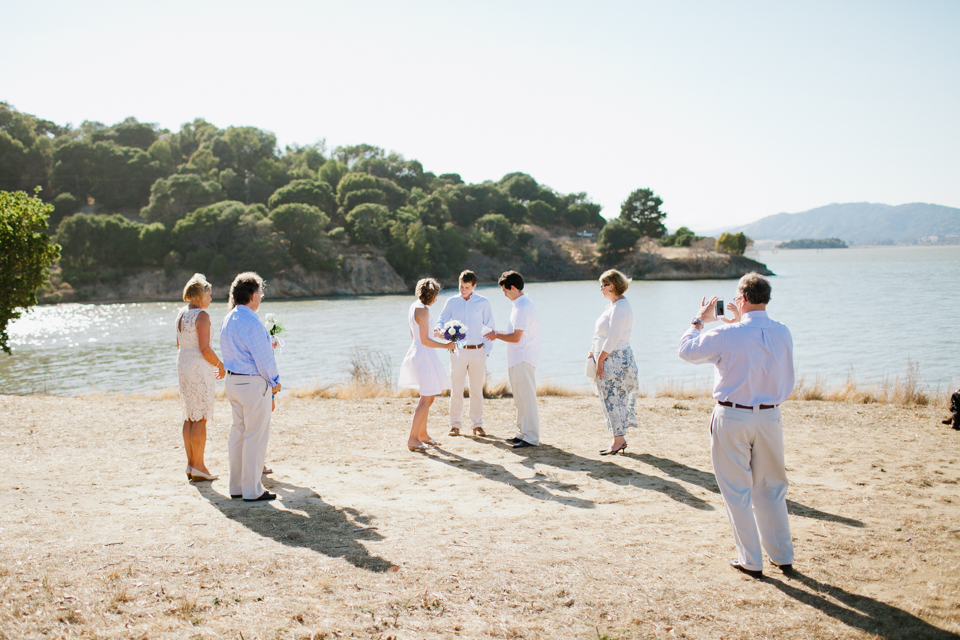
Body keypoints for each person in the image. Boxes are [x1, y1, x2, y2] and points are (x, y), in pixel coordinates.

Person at [678, 272, 796, 579]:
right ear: (766, 298)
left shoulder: (725, 336)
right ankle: (782, 555)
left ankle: (751, 560)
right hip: (770, 416)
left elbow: (687, 350)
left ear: (740, 299)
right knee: (772, 489)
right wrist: (734, 327)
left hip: (732, 416)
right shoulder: (783, 331)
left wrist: (699, 319)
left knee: (736, 491)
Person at [220, 272, 281, 502]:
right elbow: (263, 359)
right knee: (255, 435)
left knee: (238, 433)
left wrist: (269, 340)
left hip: (233, 381)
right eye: (261, 292)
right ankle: (252, 490)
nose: (262, 295)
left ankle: (236, 486)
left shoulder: (229, 318)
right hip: (252, 384)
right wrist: (275, 381)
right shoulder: (252, 320)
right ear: (253, 296)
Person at [176, 273, 226, 482]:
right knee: (201, 417)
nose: (211, 299)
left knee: (189, 416)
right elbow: (204, 349)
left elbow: (179, 344)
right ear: (200, 294)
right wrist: (220, 365)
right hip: (198, 366)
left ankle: (191, 465)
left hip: (184, 364)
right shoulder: (202, 316)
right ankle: (199, 466)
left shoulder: (181, 313)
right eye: (209, 294)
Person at [484, 270, 541, 449]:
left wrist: (496, 335)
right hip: (516, 358)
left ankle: (531, 436)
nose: (504, 294)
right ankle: (522, 432)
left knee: (527, 397)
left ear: (513, 288)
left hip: (523, 358)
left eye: (505, 290)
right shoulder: (518, 305)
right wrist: (496, 333)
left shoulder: (523, 307)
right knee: (519, 397)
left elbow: (516, 337)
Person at [435, 270, 495, 437]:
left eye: (467, 287)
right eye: (461, 286)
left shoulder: (483, 302)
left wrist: (486, 351)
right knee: (456, 389)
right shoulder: (452, 301)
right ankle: (455, 425)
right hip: (458, 352)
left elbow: (490, 327)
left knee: (476, 390)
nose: (463, 290)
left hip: (478, 351)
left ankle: (477, 425)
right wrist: (442, 331)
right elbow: (440, 320)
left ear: (474, 286)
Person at [398, 278, 456, 451]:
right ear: (431, 295)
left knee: (428, 396)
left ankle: (422, 434)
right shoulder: (423, 310)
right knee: (426, 398)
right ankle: (413, 439)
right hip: (423, 355)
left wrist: (437, 334)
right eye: (436, 295)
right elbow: (424, 340)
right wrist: (446, 345)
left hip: (420, 352)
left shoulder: (414, 306)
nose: (437, 299)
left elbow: (416, 334)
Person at [589, 269, 638, 456]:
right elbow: (600, 335)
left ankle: (618, 440)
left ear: (611, 286)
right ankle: (618, 439)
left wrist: (600, 359)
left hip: (614, 359)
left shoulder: (620, 308)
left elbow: (613, 338)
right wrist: (591, 352)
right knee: (609, 399)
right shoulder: (614, 306)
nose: (600, 290)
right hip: (609, 357)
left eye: (602, 286)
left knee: (614, 399)